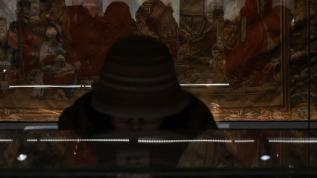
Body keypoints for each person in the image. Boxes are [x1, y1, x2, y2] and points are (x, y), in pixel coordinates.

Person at [58, 34, 217, 134]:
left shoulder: (194, 121)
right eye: (124, 118)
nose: (135, 127)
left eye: (148, 118)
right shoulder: (82, 118)